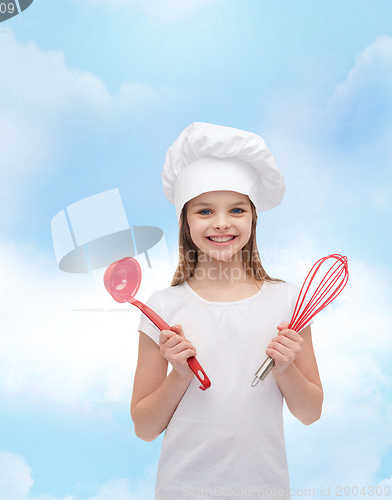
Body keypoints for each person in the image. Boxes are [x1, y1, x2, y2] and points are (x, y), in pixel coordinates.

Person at [130, 122, 323, 499]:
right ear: (185, 220)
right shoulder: (163, 308)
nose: (221, 223)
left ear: (253, 217)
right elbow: (145, 427)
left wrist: (284, 369)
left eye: (236, 209)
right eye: (204, 211)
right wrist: (180, 374)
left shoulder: (289, 303)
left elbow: (310, 412)